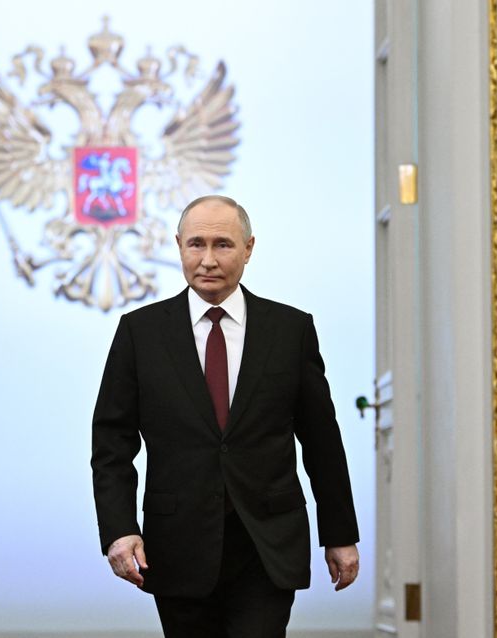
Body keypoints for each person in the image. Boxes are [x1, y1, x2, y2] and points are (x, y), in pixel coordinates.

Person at [92, 195, 360, 637]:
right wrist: (120, 530)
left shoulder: (290, 330)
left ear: (249, 248)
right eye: (196, 244)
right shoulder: (140, 333)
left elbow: (321, 440)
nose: (209, 260)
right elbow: (111, 444)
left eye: (224, 244)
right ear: (178, 246)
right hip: (177, 545)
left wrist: (340, 533)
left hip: (267, 543)